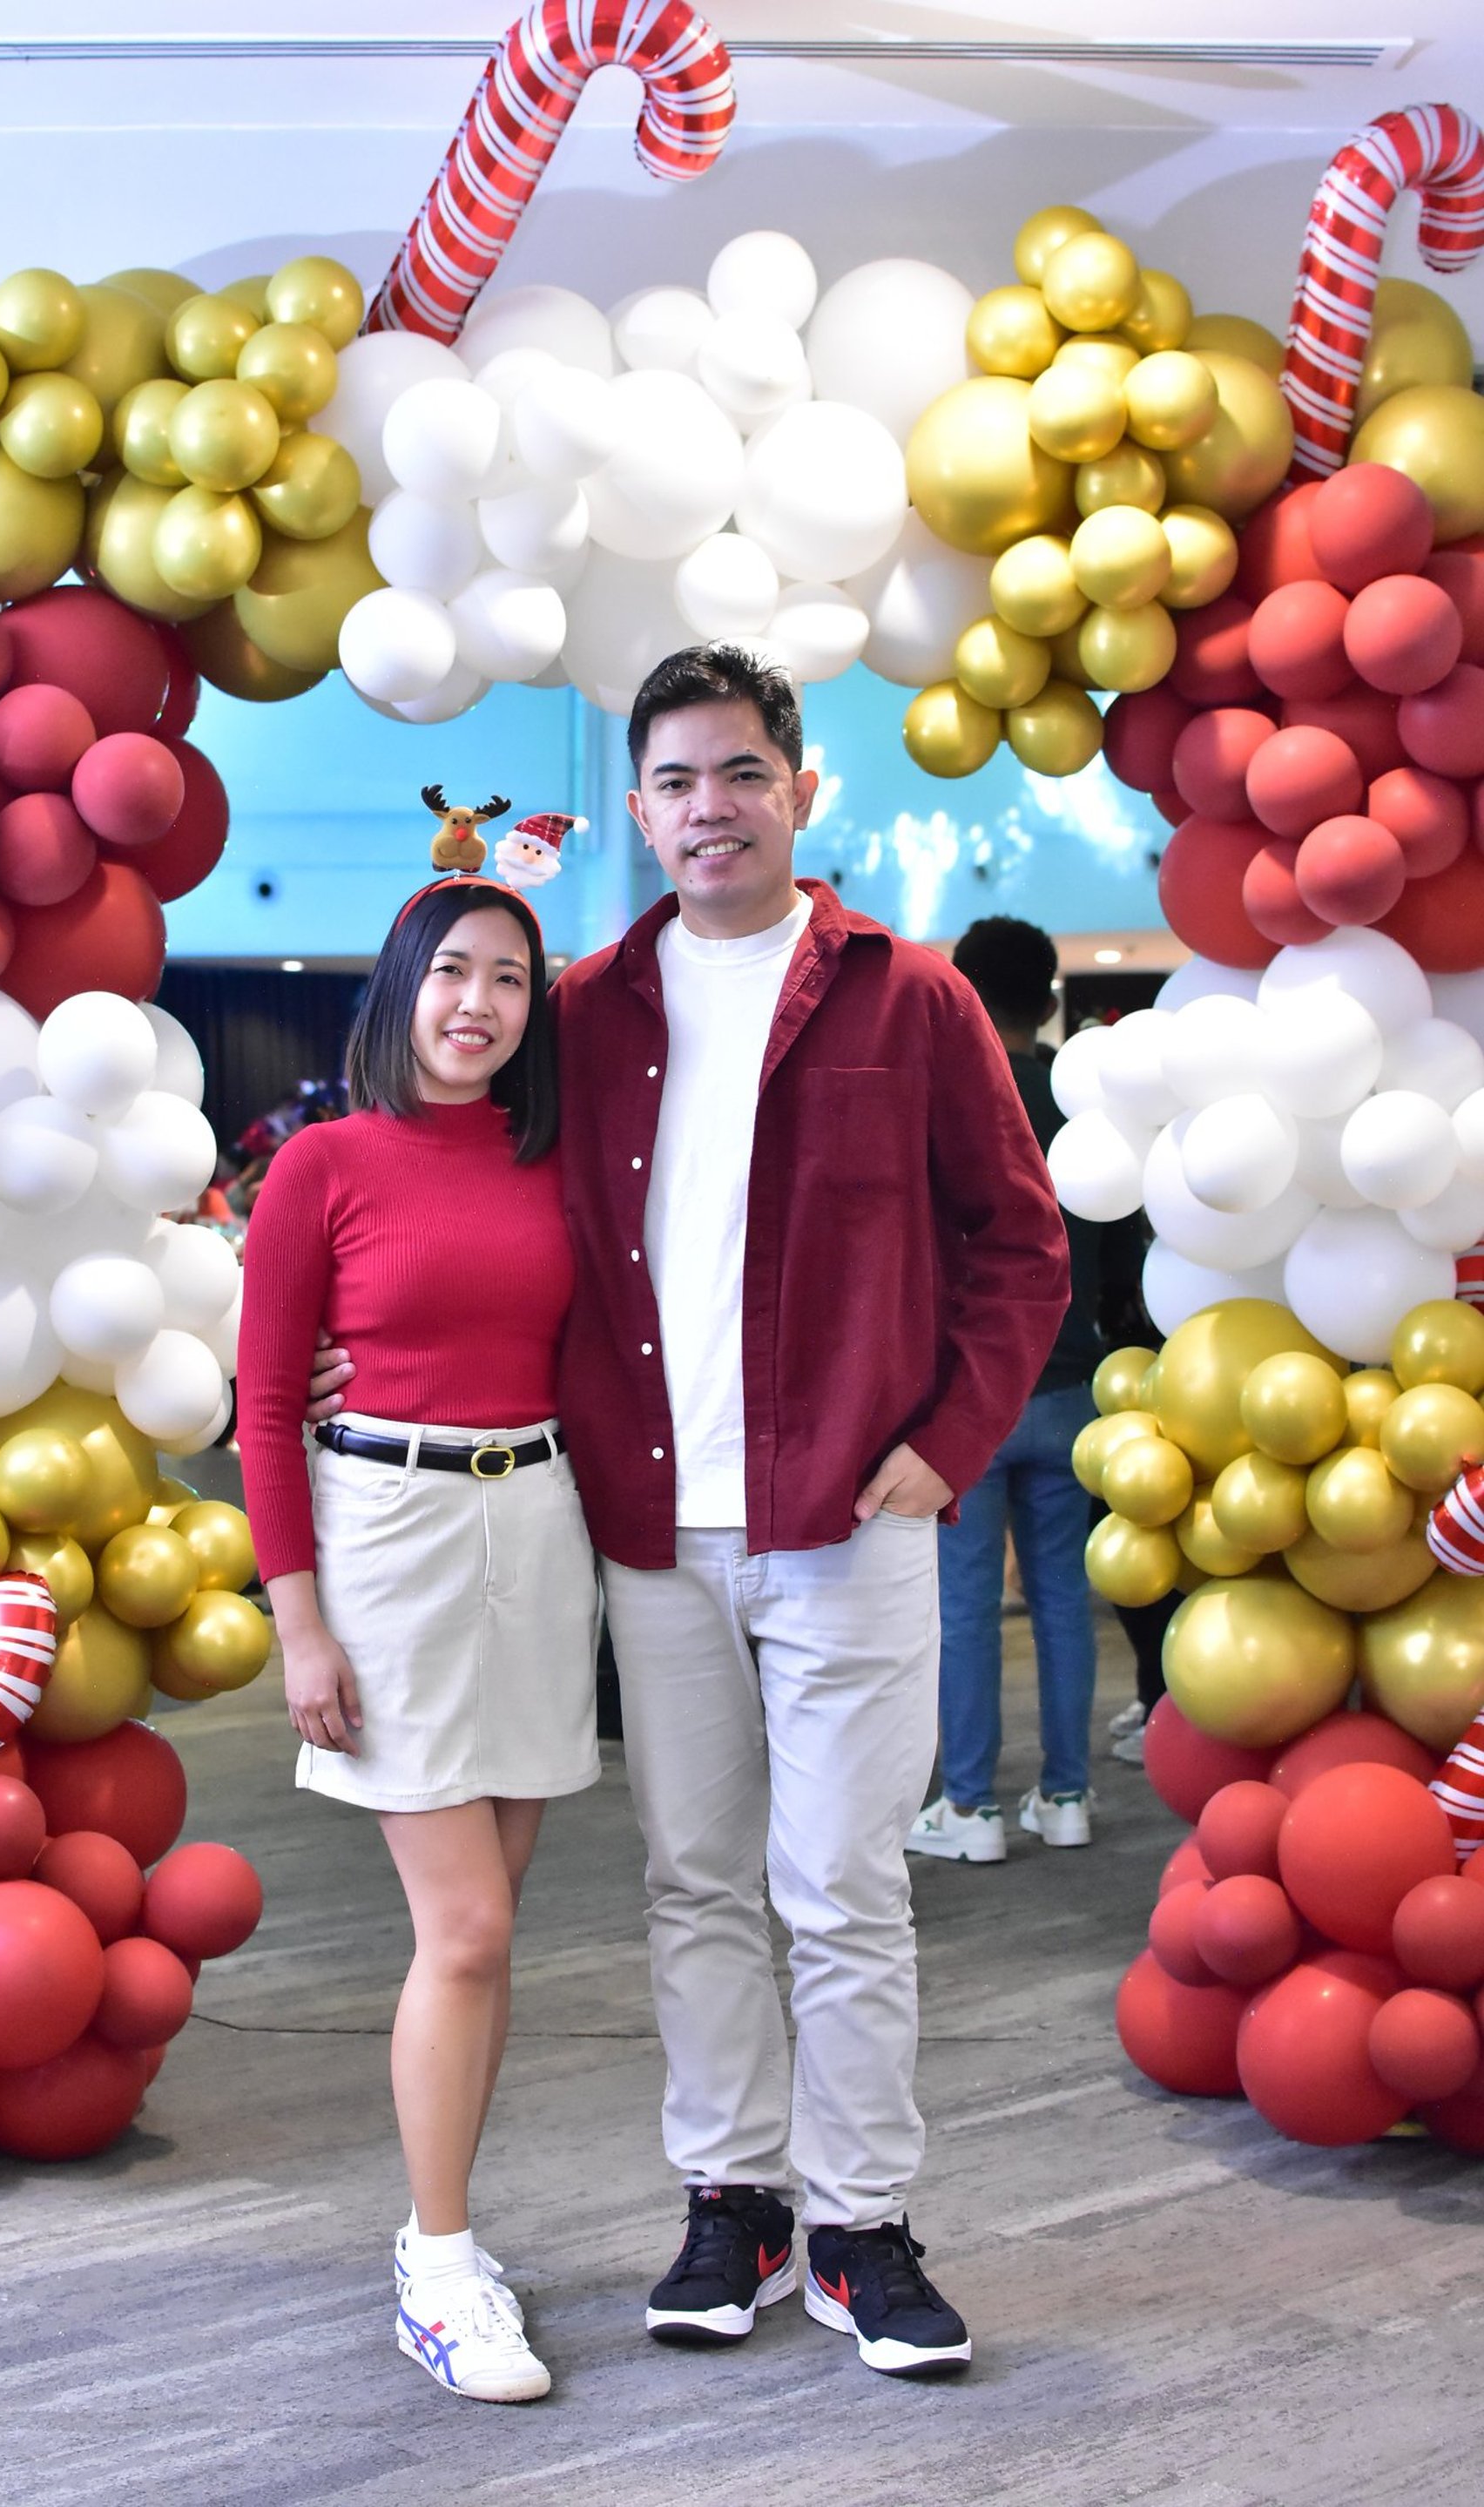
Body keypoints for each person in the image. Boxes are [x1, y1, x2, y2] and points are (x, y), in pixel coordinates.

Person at [314, 645, 1069, 2382]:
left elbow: (1020, 1245)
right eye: (675, 780)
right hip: (650, 1527)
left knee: (846, 1885)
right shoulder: (587, 1011)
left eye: (742, 773)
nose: (709, 807)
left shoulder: (913, 998)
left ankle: (863, 2222)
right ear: (638, 807)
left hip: (852, 1518)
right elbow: (461, 1212)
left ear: (802, 791)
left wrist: (944, 1443)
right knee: (695, 1881)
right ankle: (733, 2193)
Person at [239, 877, 600, 2408]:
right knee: (464, 1930)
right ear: (401, 991)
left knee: (488, 1925)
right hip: (385, 1534)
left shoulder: (558, 1160)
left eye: (509, 980)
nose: (478, 1003)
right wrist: (298, 1618)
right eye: (451, 972)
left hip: (539, 1521)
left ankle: (440, 2233)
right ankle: (440, 2263)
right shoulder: (323, 1162)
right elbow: (262, 1405)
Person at [905, 916, 1114, 1864]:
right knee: (1066, 1597)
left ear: (964, 991)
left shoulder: (949, 1095)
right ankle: (1067, 1795)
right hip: (1074, 1388)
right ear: (1047, 999)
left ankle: (970, 1806)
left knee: (967, 1605)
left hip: (971, 1396)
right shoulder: (1086, 1104)